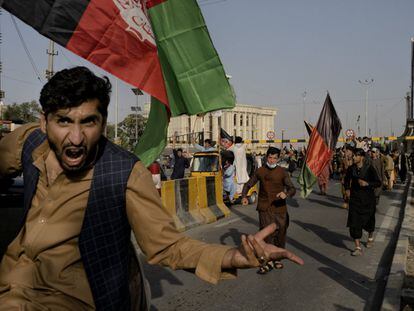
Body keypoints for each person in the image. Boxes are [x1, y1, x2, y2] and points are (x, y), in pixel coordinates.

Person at [0, 67, 303, 310]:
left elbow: (167, 245)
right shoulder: (29, 143)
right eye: (64, 122)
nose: (76, 138)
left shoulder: (123, 172)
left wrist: (233, 256)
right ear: (44, 122)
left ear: (103, 124)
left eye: (88, 122)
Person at [241, 147, 296, 273]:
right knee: (267, 234)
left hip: (280, 207)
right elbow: (249, 184)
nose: (271, 160)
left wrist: (286, 194)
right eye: (270, 158)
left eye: (274, 158)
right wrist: (244, 196)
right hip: (264, 207)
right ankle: (267, 260)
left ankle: (278, 258)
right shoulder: (260, 171)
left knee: (281, 233)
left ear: (278, 158)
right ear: (266, 157)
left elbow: (292, 188)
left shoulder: (282, 172)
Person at [344, 148, 381, 257]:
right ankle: (357, 247)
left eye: (356, 155)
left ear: (362, 157)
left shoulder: (369, 168)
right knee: (354, 222)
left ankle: (370, 237)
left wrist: (367, 183)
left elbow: (378, 183)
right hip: (355, 199)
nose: (353, 157)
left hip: (368, 200)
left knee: (369, 220)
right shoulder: (351, 169)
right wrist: (347, 190)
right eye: (353, 155)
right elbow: (346, 180)